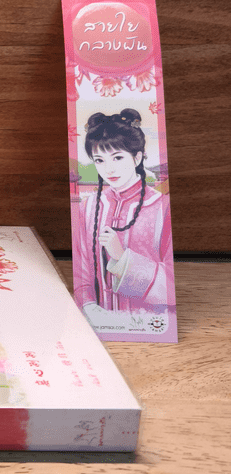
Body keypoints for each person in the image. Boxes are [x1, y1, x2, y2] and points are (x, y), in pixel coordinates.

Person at [73, 109, 174, 320]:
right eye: (99, 160)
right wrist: (90, 308)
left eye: (117, 157)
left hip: (148, 321)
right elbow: (81, 271)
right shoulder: (89, 206)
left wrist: (121, 256)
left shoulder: (161, 207)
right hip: (97, 320)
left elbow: (170, 284)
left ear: (137, 158)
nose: (109, 169)